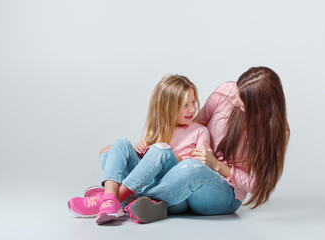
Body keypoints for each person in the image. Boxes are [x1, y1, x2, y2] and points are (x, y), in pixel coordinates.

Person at [122, 66, 290, 220]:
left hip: (223, 194)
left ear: (259, 107)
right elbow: (194, 126)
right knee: (119, 149)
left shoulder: (278, 133)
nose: (233, 102)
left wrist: (216, 165)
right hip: (186, 179)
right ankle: (153, 204)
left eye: (240, 103)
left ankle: (123, 197)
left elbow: (260, 185)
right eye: (236, 95)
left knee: (191, 169)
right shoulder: (227, 91)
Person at [68, 74, 210, 224]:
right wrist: (141, 151)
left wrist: (166, 153)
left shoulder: (199, 131)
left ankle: (110, 199)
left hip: (175, 192)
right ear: (167, 108)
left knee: (162, 151)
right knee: (118, 146)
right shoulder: (160, 130)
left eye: (194, 102)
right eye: (185, 105)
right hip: (147, 184)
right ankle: (111, 198)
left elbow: (198, 170)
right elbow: (146, 169)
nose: (193, 109)